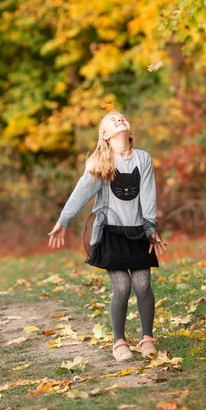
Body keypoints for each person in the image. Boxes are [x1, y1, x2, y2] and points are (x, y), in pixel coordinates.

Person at [48, 111, 166, 362]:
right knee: (122, 287)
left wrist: (151, 228)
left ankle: (147, 338)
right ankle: (119, 341)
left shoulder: (143, 159)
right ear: (105, 135)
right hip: (110, 234)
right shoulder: (101, 161)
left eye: (123, 118)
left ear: (130, 133)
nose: (120, 119)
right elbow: (81, 193)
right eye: (113, 120)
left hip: (137, 232)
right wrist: (63, 221)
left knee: (143, 285)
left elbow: (147, 195)